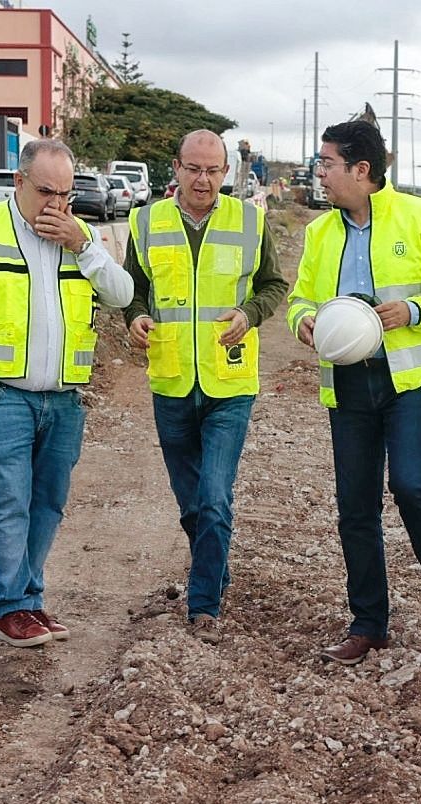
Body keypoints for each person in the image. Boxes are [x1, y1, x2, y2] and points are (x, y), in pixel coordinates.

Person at [0, 139, 134, 647]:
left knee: (48, 503)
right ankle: (11, 605)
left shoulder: (82, 239)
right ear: (18, 182)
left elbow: (121, 295)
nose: (56, 205)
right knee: (9, 499)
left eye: (65, 194)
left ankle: (29, 600)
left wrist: (83, 245)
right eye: (45, 192)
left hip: (62, 401)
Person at [288, 119, 421, 666]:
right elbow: (299, 298)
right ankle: (369, 624)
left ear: (361, 170)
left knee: (412, 483)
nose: (319, 173)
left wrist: (414, 310)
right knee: (355, 506)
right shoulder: (320, 233)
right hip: (348, 382)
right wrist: (303, 322)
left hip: (409, 379)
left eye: (327, 163)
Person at [123, 130, 288, 643]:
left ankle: (203, 607)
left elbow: (273, 285)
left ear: (227, 172)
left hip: (229, 377)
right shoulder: (146, 221)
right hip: (171, 378)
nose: (203, 179)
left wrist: (249, 312)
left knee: (215, 497)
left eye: (214, 170)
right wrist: (134, 319)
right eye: (194, 169)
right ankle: (215, 570)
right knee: (191, 504)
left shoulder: (250, 221)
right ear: (175, 167)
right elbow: (134, 290)